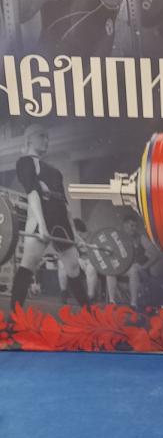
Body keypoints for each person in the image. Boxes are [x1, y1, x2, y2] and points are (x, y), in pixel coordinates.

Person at [10, 124, 90, 311]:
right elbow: (33, 194)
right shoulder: (25, 162)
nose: (46, 140)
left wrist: (75, 235)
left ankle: (90, 314)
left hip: (61, 222)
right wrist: (42, 225)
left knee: (73, 268)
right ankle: (14, 317)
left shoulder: (55, 172)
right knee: (28, 264)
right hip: (40, 219)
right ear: (29, 139)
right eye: (41, 136)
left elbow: (65, 206)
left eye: (47, 137)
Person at [106, 213, 159, 310]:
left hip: (139, 269)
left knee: (133, 269)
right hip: (124, 268)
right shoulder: (118, 237)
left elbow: (156, 254)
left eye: (135, 226)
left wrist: (144, 266)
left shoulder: (140, 238)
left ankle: (133, 303)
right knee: (110, 271)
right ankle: (111, 301)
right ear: (125, 225)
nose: (134, 228)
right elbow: (112, 254)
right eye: (132, 226)